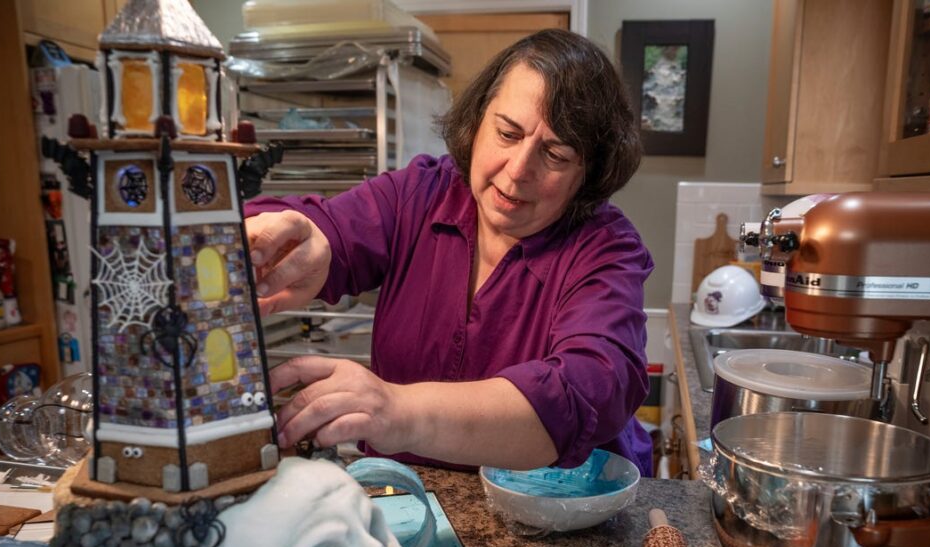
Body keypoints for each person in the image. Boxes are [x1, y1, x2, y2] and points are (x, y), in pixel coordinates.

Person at [245, 29, 655, 476]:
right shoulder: (420, 194)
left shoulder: (606, 250)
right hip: (407, 498)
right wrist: (309, 242)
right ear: (478, 120)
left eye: (555, 155)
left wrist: (397, 411)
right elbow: (332, 229)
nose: (518, 171)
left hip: (560, 513)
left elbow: (587, 387)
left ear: (588, 172)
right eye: (507, 133)